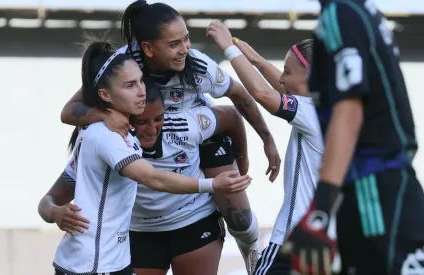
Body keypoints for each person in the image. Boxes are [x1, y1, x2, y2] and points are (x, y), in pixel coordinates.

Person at [59, 2, 281, 272]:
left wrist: (263, 142)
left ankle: (249, 244)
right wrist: (105, 116)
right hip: (140, 217)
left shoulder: (197, 76)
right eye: (174, 43)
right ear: (148, 48)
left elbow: (235, 105)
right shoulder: (120, 70)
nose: (185, 49)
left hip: (193, 147)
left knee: (239, 215)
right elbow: (70, 111)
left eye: (186, 39)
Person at [40, 76, 250, 275]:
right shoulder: (108, 143)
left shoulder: (184, 127)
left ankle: (252, 245)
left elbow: (232, 116)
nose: (151, 129)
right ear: (124, 118)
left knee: (244, 223)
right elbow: (48, 202)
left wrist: (244, 160)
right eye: (141, 122)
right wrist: (55, 212)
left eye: (159, 118)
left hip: (192, 222)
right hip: (137, 233)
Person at [280, 1, 424, 274]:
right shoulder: (359, 11)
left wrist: (320, 211)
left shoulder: (340, 13)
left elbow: (349, 110)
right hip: (383, 188)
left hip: (375, 191)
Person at [205, 21, 324, 275]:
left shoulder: (311, 112)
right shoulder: (330, 108)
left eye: (287, 71)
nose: (281, 78)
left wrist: (229, 48)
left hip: (292, 241)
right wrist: (256, 59)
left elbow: (263, 94)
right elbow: (281, 89)